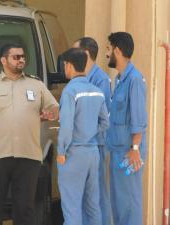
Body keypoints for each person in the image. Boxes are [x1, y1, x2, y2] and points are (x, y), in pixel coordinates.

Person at [0, 43, 59, 225]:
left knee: (25, 209)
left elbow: (54, 107)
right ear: (4, 60)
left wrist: (51, 113)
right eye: (16, 57)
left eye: (23, 56)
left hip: (29, 156)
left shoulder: (36, 84)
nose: (21, 60)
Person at [57, 48, 109, 225]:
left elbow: (66, 126)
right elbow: (105, 123)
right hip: (92, 153)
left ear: (69, 66)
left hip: (73, 153)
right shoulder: (97, 91)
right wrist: (89, 134)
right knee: (93, 206)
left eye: (65, 65)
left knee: (72, 208)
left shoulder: (70, 91)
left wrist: (61, 151)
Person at [106, 32, 147, 225]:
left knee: (130, 204)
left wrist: (135, 149)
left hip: (129, 154)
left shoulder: (134, 80)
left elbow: (138, 118)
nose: (106, 54)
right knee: (119, 204)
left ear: (117, 51)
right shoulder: (119, 80)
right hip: (117, 151)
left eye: (108, 49)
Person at [73, 37, 112, 225]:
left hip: (95, 145)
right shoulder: (79, 77)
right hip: (81, 146)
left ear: (85, 53)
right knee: (82, 195)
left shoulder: (100, 79)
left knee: (96, 196)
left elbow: (101, 116)